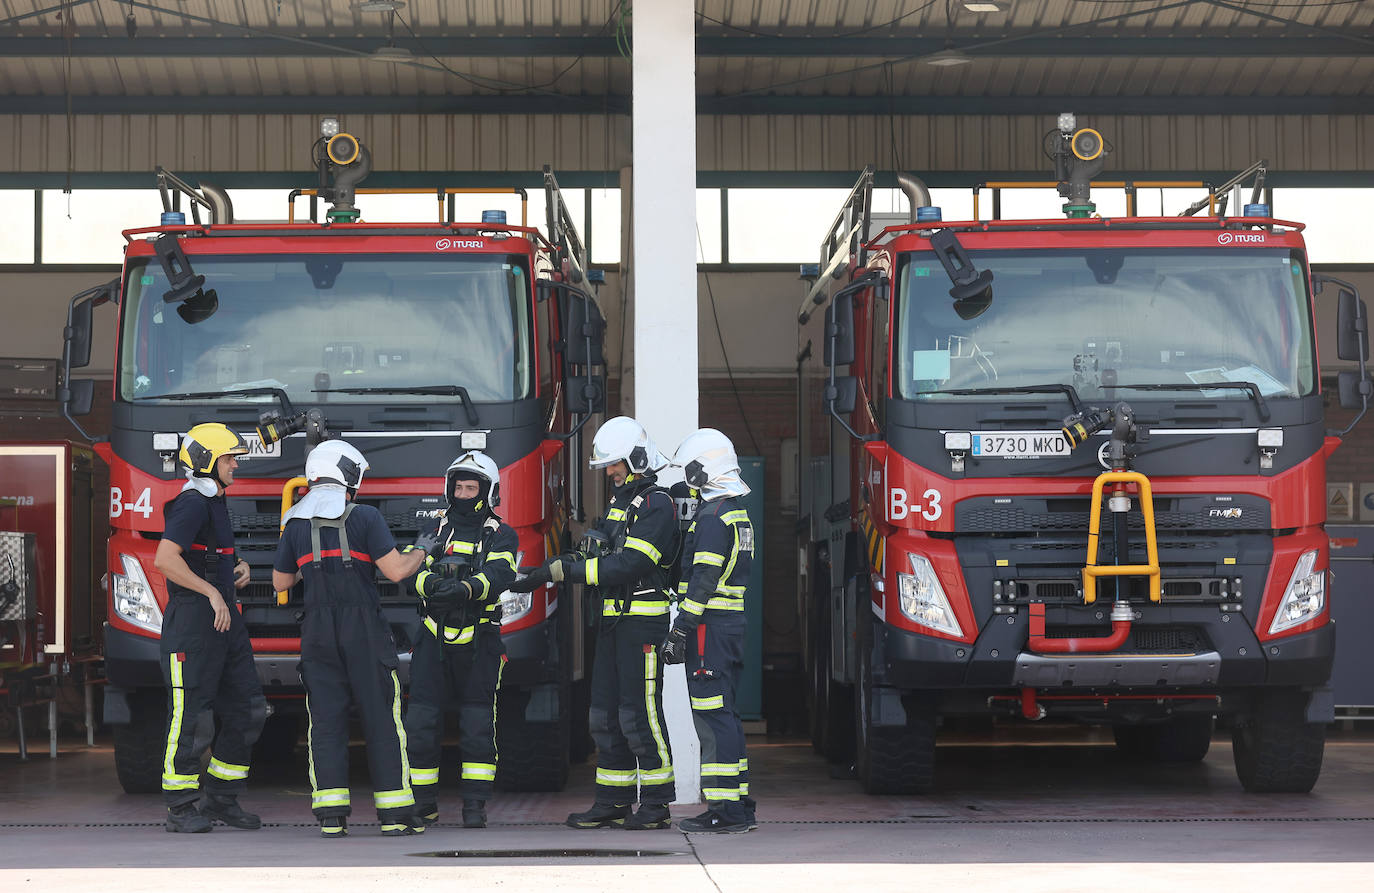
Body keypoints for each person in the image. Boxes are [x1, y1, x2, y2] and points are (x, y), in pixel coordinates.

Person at [510, 416, 679, 830]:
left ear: (637, 458)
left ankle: (656, 804)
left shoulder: (658, 503)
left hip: (642, 626)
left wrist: (567, 573)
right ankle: (613, 801)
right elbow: (591, 553)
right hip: (612, 625)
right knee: (603, 716)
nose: (610, 472)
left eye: (615, 464)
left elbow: (629, 564)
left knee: (640, 715)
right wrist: (543, 571)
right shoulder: (620, 505)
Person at [270, 440, 432, 838]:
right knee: (381, 718)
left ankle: (331, 816)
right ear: (349, 476)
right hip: (362, 630)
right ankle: (394, 815)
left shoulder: (293, 522)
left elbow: (281, 583)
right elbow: (395, 571)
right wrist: (423, 551)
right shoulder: (366, 518)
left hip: (317, 632)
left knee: (325, 721)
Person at [154, 422, 266, 833]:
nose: (236, 465)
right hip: (194, 623)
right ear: (206, 462)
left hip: (224, 624)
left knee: (248, 709)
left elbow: (207, 556)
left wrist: (235, 569)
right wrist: (212, 593)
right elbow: (165, 559)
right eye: (229, 458)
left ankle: (221, 799)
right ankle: (180, 807)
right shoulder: (192, 503)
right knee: (192, 718)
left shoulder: (216, 500)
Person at [404, 450, 518, 830]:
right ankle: (423, 805)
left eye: (472, 487)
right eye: (459, 486)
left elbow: (499, 574)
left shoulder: (502, 533)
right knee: (420, 722)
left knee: (477, 725)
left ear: (488, 492)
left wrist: (467, 589)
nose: (464, 493)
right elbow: (409, 569)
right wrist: (432, 583)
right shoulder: (434, 529)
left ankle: (475, 807)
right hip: (432, 636)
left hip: (479, 640)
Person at [661, 429, 758, 833]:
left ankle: (724, 810)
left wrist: (682, 625)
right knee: (726, 715)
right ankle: (738, 802)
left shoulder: (714, 517)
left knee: (711, 718)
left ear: (704, 471)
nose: (686, 479)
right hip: (727, 626)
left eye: (689, 471)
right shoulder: (735, 512)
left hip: (707, 629)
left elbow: (704, 577)